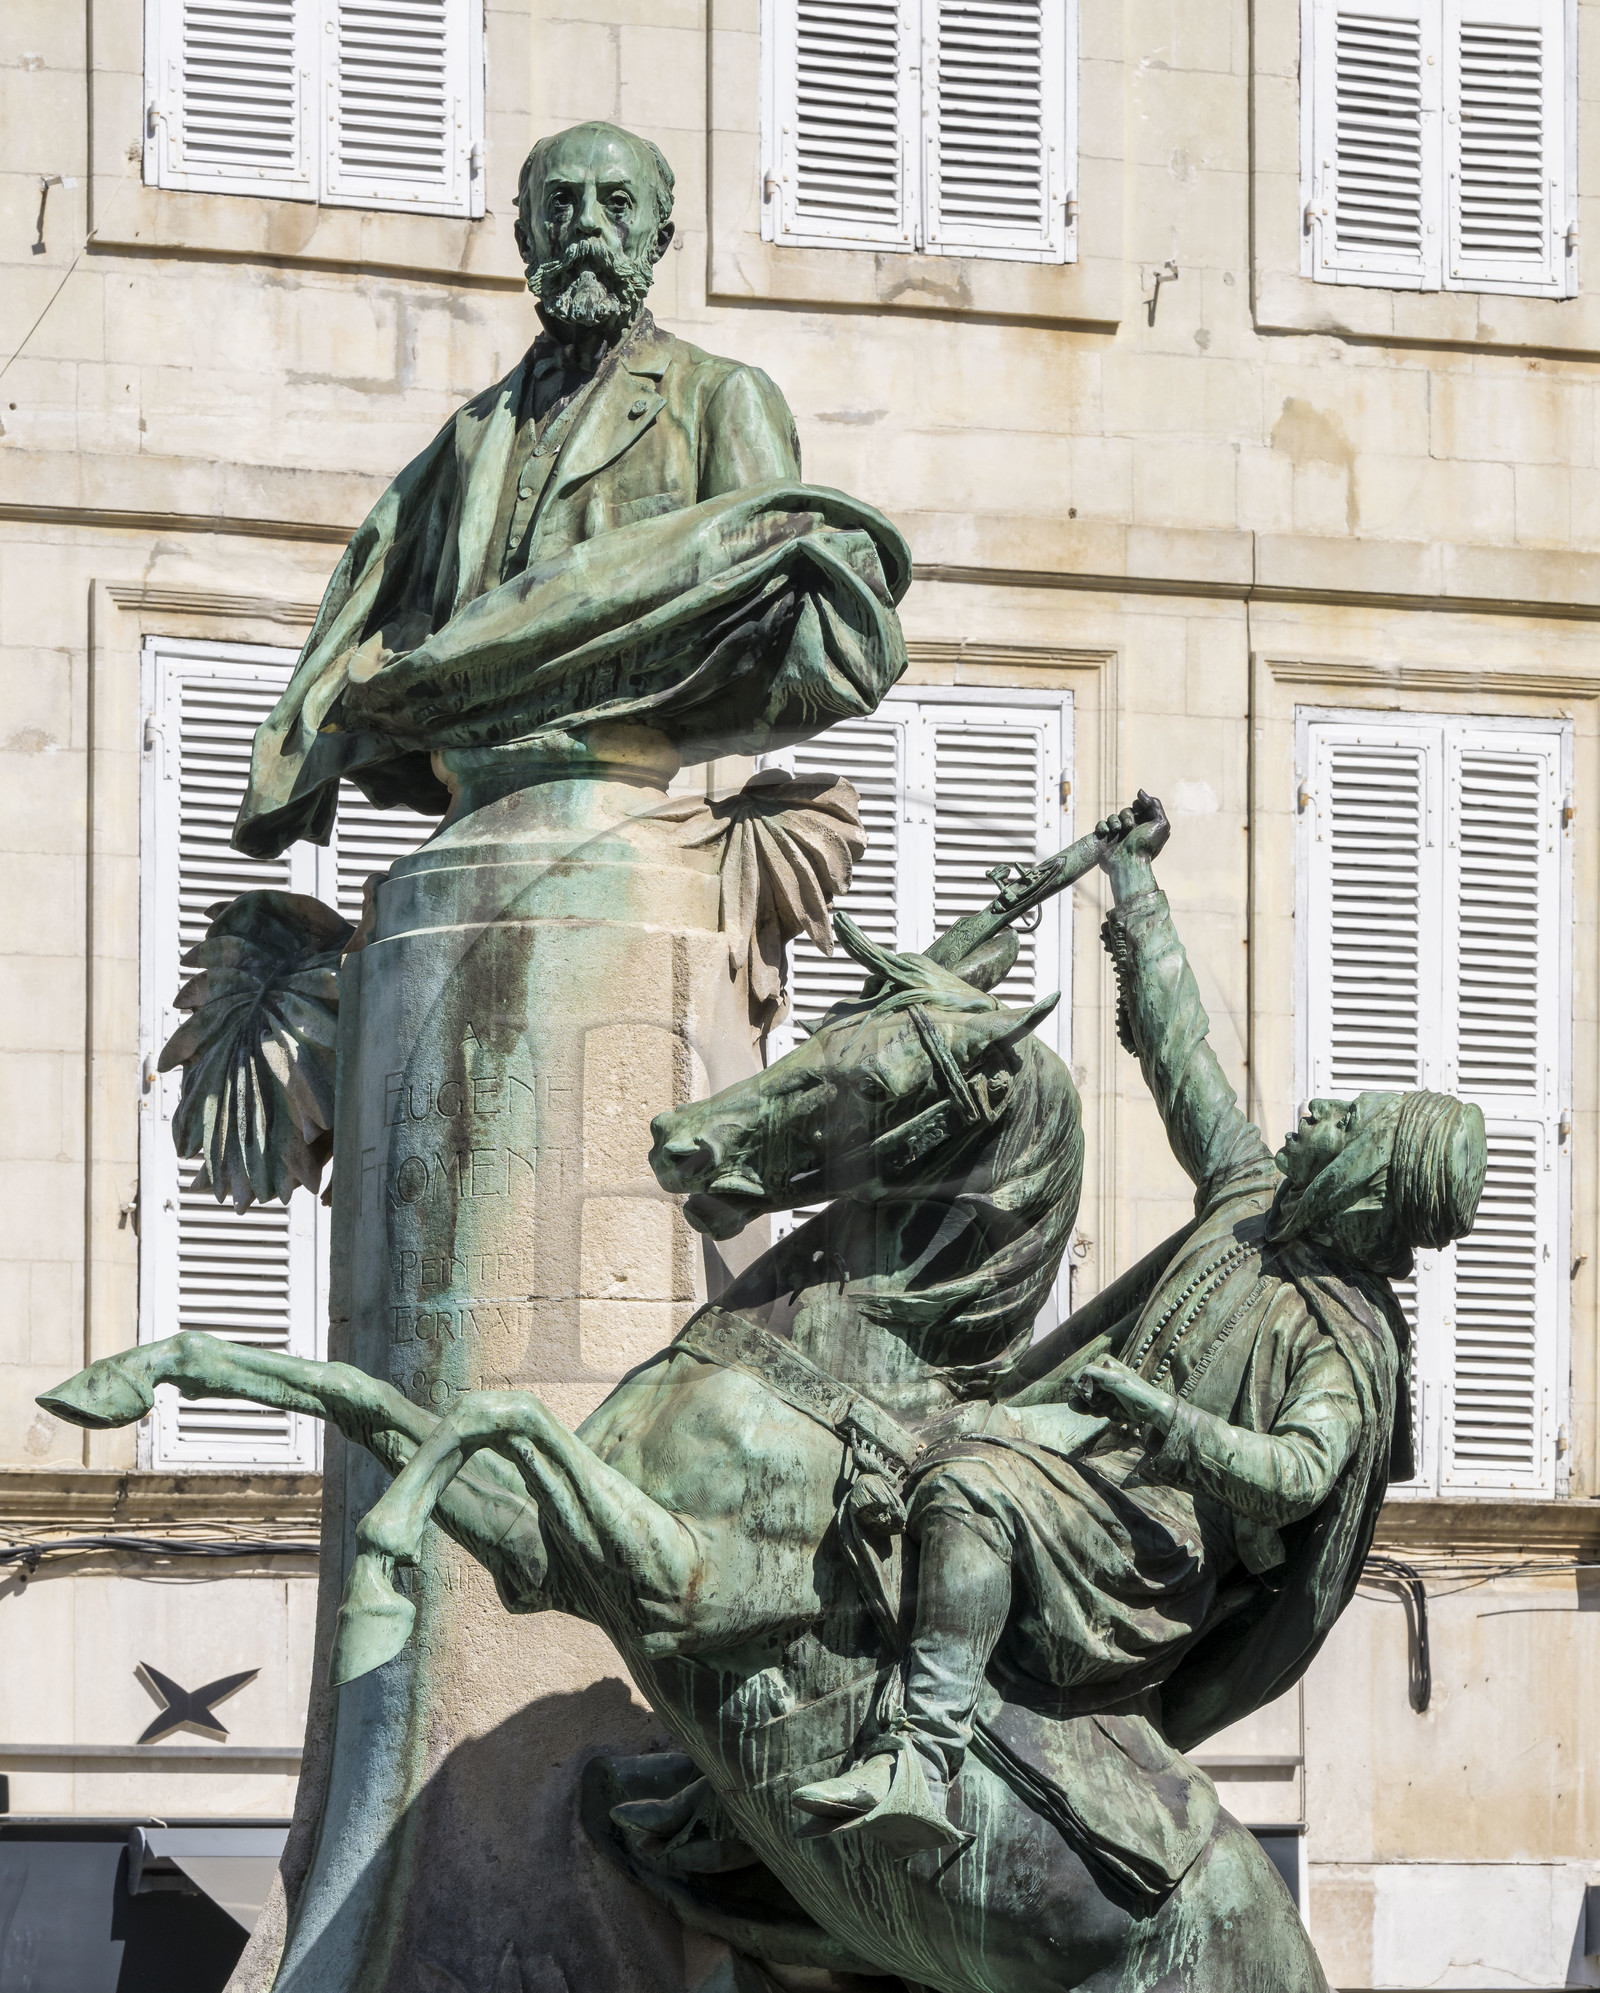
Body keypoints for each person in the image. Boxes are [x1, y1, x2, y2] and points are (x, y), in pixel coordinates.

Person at [794, 799, 1486, 1855]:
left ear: (1363, 1178)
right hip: (1073, 1453)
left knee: (970, 1487)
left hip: (1146, 1547)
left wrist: (1161, 1417)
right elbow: (1178, 1048)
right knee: (866, 1449)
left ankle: (924, 1761)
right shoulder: (1248, 1195)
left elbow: (1299, 1474)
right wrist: (1134, 884)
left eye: (1345, 1120)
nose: (1317, 1111)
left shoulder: (1344, 1344)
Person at [234, 121, 907, 859]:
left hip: (619, 822)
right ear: (525, 237)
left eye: (616, 203)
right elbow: (374, 610)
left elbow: (774, 598)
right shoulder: (470, 437)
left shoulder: (719, 398)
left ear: (658, 238)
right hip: (472, 811)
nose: (586, 223)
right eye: (560, 202)